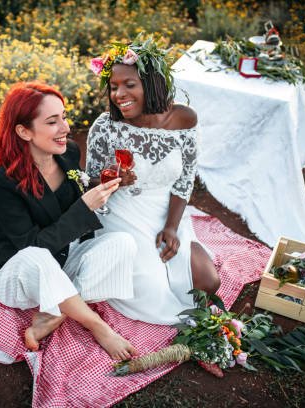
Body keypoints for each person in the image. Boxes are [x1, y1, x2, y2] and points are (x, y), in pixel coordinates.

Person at [0, 82, 138, 360]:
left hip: (62, 261)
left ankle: (56, 312)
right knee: (36, 257)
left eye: (63, 117)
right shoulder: (0, 181)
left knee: (122, 243)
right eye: (53, 122)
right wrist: (84, 207)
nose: (65, 128)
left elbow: (73, 192)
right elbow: (31, 247)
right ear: (23, 131)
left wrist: (105, 182)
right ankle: (96, 325)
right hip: (21, 274)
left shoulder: (68, 153)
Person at [86, 36, 220, 325]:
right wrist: (113, 179)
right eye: (113, 87)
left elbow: (184, 181)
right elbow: (88, 185)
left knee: (207, 282)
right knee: (154, 291)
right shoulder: (105, 128)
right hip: (121, 214)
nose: (119, 94)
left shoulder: (184, 119)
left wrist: (172, 227)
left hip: (165, 210)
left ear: (153, 83)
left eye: (129, 85)